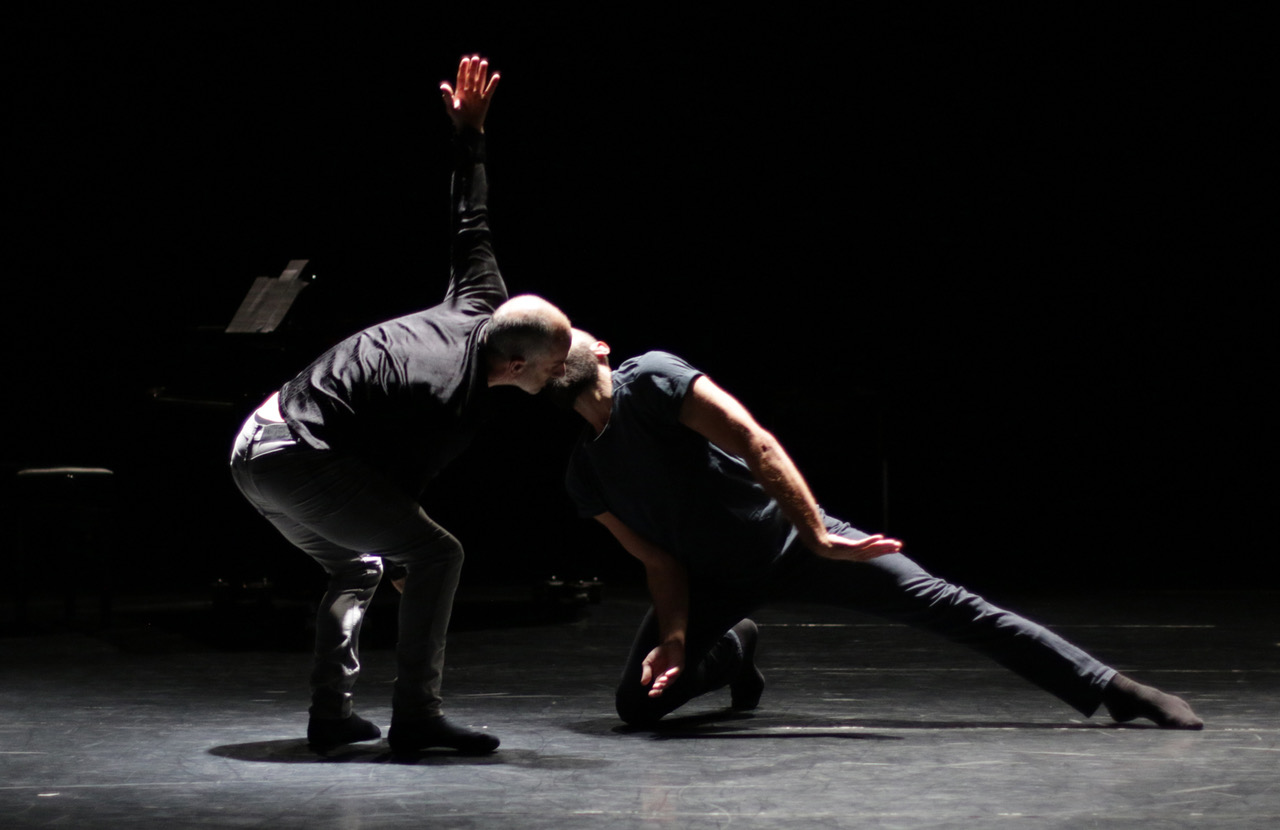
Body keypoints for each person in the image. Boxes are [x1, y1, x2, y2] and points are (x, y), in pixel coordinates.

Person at [544, 332, 1203, 730]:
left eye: (563, 335)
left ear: (598, 347)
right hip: (711, 580)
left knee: (948, 604)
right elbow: (660, 563)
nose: (554, 349)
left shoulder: (651, 378)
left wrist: (817, 536)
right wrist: (678, 638)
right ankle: (735, 648)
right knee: (636, 707)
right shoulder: (585, 473)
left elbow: (755, 441)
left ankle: (1113, 689)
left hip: (796, 541)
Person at [230, 55, 570, 755]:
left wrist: (471, 135)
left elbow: (471, 220)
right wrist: (412, 564)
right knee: (438, 553)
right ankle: (417, 716)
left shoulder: (482, 300)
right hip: (296, 456)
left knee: (359, 565)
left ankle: (331, 717)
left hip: (255, 445)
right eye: (553, 365)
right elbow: (397, 489)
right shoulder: (448, 400)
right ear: (514, 366)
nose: (558, 375)